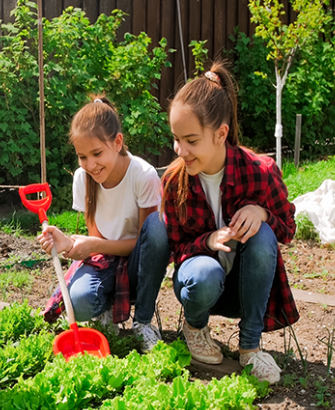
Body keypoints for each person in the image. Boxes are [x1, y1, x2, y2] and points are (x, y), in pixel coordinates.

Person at [162, 62, 299, 383]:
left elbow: (288, 229)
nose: (181, 150)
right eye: (176, 139)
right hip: (201, 286)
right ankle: (195, 328)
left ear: (221, 133)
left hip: (245, 290)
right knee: (203, 272)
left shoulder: (260, 171)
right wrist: (208, 242)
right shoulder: (173, 181)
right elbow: (175, 248)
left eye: (191, 140)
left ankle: (250, 347)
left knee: (262, 234)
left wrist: (262, 213)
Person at [41, 97, 169, 353]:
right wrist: (68, 243)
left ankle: (142, 322)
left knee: (157, 225)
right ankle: (105, 310)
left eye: (97, 154)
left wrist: (93, 245)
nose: (90, 165)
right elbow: (96, 245)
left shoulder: (143, 175)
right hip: (106, 261)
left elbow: (147, 244)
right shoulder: (83, 178)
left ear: (118, 142)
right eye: (82, 156)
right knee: (76, 303)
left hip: (139, 266)